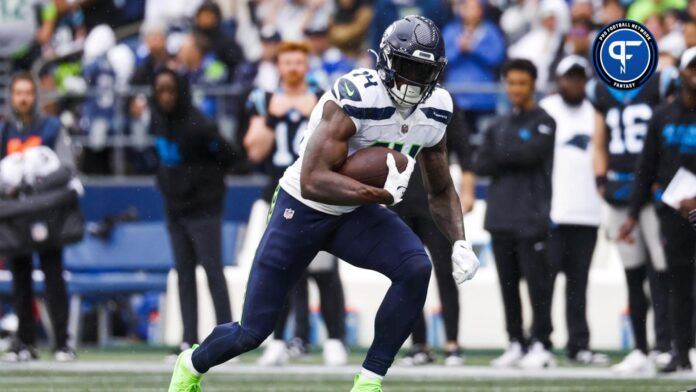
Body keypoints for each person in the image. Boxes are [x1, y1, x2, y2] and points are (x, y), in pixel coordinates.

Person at [168, 16, 480, 392]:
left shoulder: (437, 109)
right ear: (384, 61)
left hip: (353, 213)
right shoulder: (358, 94)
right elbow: (314, 180)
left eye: (423, 71)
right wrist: (378, 195)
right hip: (301, 206)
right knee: (252, 331)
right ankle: (191, 364)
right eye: (407, 67)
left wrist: (459, 241)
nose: (413, 81)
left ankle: (369, 381)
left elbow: (441, 189)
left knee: (415, 268)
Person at [243, 41, 347, 366]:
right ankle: (277, 339)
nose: (292, 67)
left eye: (298, 61)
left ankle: (334, 340)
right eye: (286, 61)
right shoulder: (264, 101)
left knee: (325, 271)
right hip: (281, 193)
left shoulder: (324, 100)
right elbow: (254, 150)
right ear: (278, 66)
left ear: (307, 65)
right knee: (280, 269)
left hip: (317, 194)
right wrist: (275, 118)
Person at [588, 64, 675, 374]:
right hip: (619, 188)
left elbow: (669, 129)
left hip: (652, 191)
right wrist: (600, 179)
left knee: (665, 274)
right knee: (633, 275)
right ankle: (640, 347)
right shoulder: (601, 89)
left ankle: (669, 345)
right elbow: (599, 140)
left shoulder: (661, 82)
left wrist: (661, 176)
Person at [475, 58, 557, 369]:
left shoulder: (545, 120)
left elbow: (529, 154)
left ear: (533, 84)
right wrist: (507, 154)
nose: (516, 89)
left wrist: (502, 154)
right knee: (507, 286)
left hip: (532, 216)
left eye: (522, 83)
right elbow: (481, 164)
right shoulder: (498, 124)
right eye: (511, 83)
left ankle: (541, 342)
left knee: (538, 284)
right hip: (500, 217)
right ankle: (515, 341)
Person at [620, 47, 696, 373]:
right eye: (693, 69)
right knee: (677, 285)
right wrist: (633, 214)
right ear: (681, 75)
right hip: (673, 213)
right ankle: (681, 351)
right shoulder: (662, 116)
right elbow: (646, 168)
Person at [150, 68, 235, 355]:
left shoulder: (200, 125)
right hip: (174, 208)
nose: (165, 97)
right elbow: (159, 161)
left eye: (170, 90)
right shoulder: (157, 120)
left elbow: (230, 156)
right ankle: (189, 338)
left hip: (204, 208)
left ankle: (226, 336)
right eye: (160, 90)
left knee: (213, 271)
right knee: (184, 273)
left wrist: (204, 186)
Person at [0, 73, 75, 362]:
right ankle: (25, 342)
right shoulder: (5, 130)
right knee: (20, 277)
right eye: (18, 92)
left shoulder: (52, 127)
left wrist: (35, 179)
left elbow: (66, 168)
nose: (23, 98)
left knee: (53, 274)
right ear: (11, 96)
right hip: (17, 214)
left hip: (46, 212)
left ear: (36, 96)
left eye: (28, 93)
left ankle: (62, 343)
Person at [539, 56, 607, 365]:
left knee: (579, 286)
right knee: (545, 283)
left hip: (587, 213)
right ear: (559, 79)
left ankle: (579, 344)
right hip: (553, 213)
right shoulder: (547, 109)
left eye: (579, 78)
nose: (574, 83)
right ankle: (541, 342)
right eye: (569, 77)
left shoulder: (596, 113)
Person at [393, 106, 474, 367]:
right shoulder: (390, 103)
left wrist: (468, 190)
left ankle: (452, 343)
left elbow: (463, 149)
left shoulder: (444, 104)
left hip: (434, 199)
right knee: (407, 275)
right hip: (400, 198)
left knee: (444, 273)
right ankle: (419, 343)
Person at [442, 0, 506, 136]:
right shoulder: (450, 30)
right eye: (465, 6)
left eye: (474, 7)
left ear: (482, 10)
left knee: (485, 139)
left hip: (484, 98)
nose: (469, 11)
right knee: (457, 140)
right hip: (456, 98)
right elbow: (442, 58)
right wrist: (458, 49)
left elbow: (497, 57)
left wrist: (474, 48)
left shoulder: (491, 31)